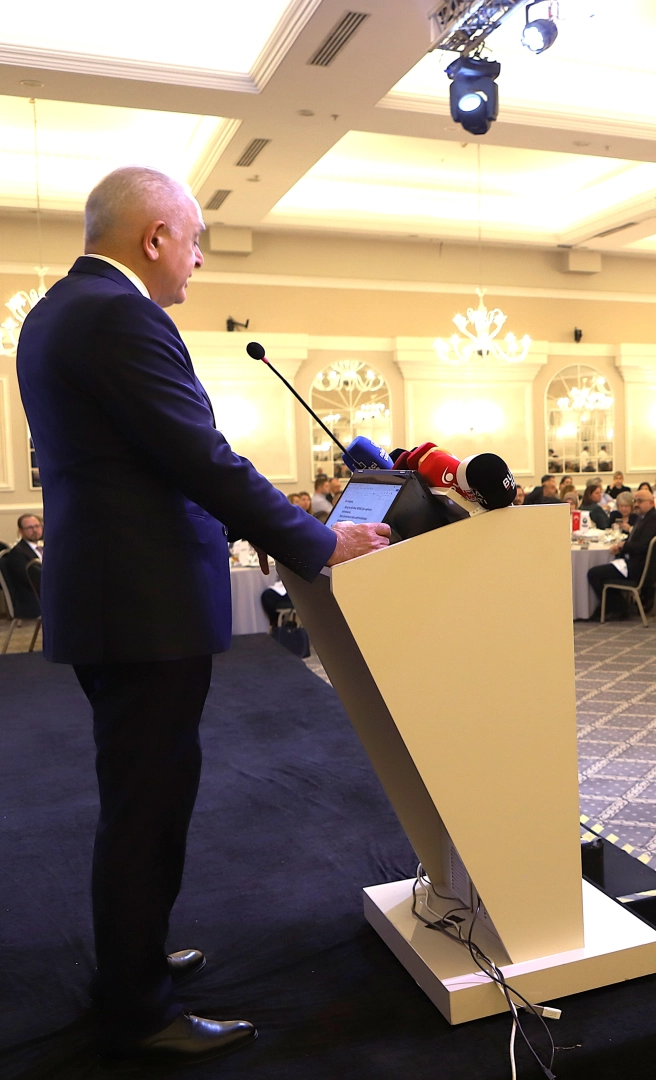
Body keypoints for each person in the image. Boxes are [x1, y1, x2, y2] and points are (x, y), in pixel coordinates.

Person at [15, 166, 391, 1063]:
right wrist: (316, 539)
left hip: (114, 597)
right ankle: (137, 1008)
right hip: (139, 605)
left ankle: (136, 958)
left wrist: (261, 528)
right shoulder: (120, 315)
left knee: (139, 796)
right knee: (147, 805)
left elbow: (144, 465)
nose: (197, 261)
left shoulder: (58, 311)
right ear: (154, 238)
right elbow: (197, 455)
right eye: (193, 242)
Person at [585, 490, 656, 618]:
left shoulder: (653, 521)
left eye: (640, 501)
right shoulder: (645, 518)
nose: (636, 504)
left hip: (638, 568)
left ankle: (617, 608)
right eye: (635, 501)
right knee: (603, 570)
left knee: (594, 573)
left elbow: (644, 547)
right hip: (636, 563)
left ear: (651, 502)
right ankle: (616, 606)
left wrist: (623, 546)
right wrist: (623, 546)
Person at [1, 513, 44, 619]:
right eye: (30, 528)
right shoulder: (17, 553)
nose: (35, 530)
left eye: (37, 526)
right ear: (20, 531)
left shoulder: (45, 547)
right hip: (33, 601)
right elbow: (32, 580)